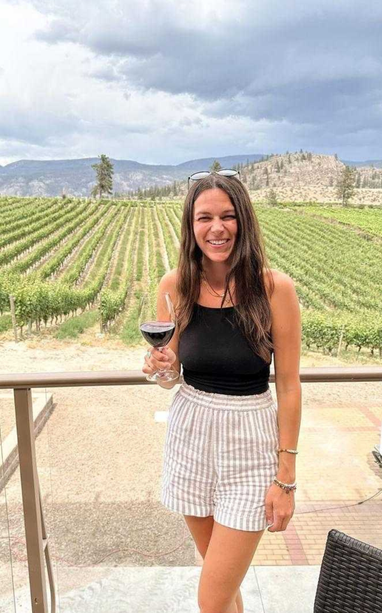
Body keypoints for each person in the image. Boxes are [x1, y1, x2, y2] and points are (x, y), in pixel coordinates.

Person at [142, 171, 301, 613]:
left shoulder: (275, 289)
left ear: (243, 221)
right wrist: (159, 369)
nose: (217, 228)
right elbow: (170, 373)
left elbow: (288, 385)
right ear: (191, 227)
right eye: (204, 217)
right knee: (224, 589)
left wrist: (285, 479)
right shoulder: (175, 287)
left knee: (211, 598)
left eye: (228, 216)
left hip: (251, 440)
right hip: (190, 433)